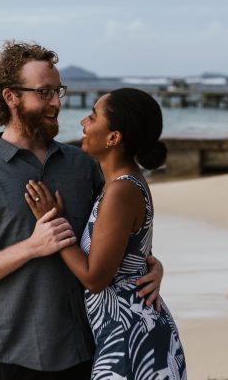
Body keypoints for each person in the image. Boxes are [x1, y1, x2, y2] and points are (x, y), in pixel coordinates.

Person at [0, 42, 164, 380]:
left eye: (58, 91)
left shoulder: (84, 165)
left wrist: (150, 266)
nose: (57, 103)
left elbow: (116, 232)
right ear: (10, 97)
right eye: (44, 93)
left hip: (92, 349)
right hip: (18, 356)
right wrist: (32, 247)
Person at [25, 88, 186, 379]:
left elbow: (95, 278)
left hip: (130, 338)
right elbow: (133, 256)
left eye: (93, 117)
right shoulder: (120, 184)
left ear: (114, 137)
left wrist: (54, 223)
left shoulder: (121, 190)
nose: (83, 123)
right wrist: (155, 266)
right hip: (130, 330)